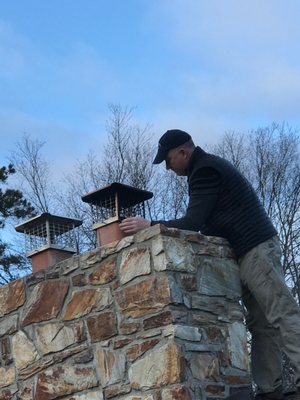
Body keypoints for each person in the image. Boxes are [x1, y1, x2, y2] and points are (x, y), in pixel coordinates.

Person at [119, 129, 300, 400]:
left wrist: (150, 225)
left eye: (168, 160)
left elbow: (192, 223)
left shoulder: (205, 170)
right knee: (261, 324)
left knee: (282, 314)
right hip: (248, 251)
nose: (168, 168)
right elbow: (206, 224)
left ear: (183, 152)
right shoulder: (207, 168)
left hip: (256, 249)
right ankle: (269, 390)